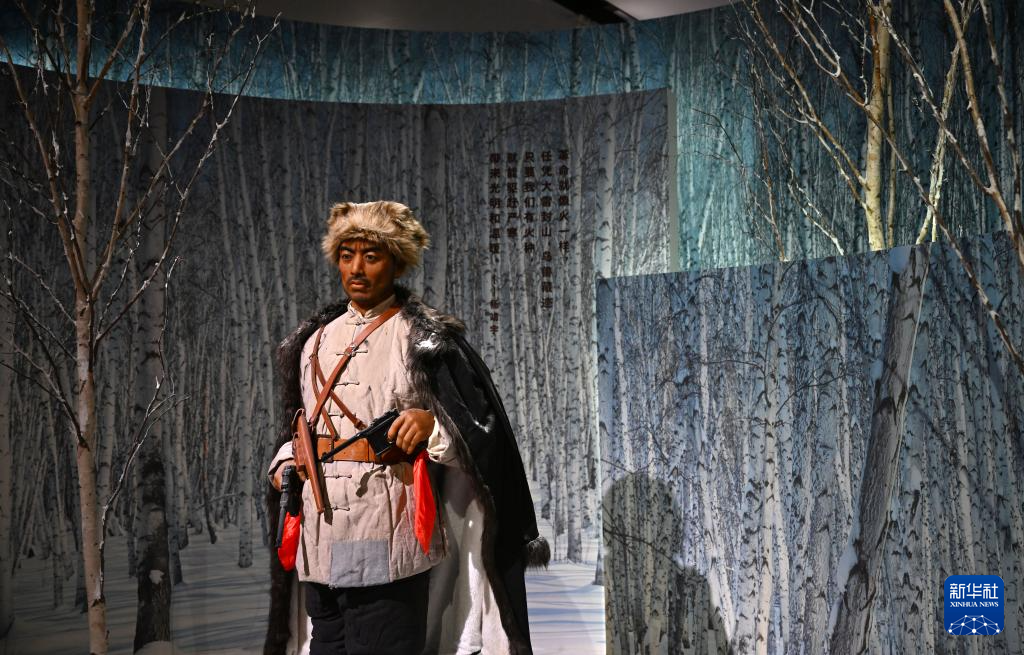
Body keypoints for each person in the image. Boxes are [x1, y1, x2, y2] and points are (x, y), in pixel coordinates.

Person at [264, 201, 548, 655]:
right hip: (320, 540)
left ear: (396, 263)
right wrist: (284, 463)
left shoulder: (422, 339)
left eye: (371, 256)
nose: (356, 268)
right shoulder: (313, 341)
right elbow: (297, 428)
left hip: (389, 532)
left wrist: (431, 424)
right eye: (347, 255)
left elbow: (480, 433)